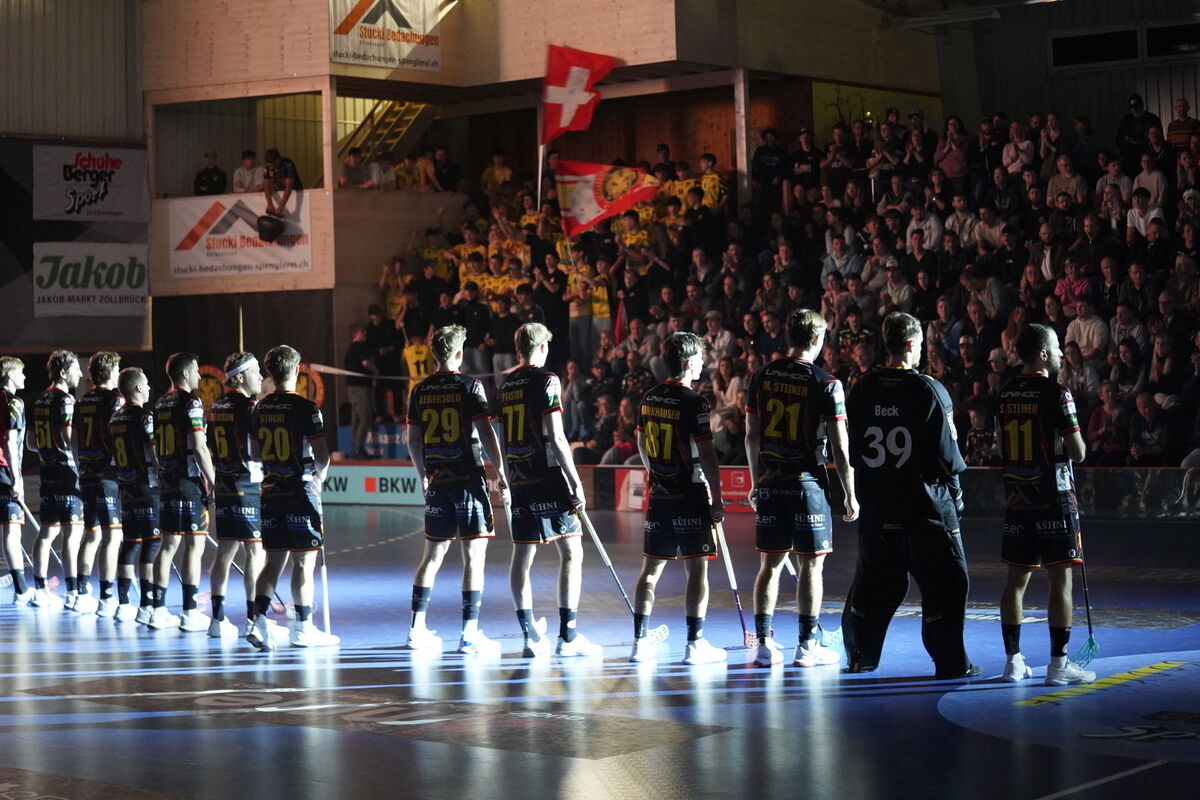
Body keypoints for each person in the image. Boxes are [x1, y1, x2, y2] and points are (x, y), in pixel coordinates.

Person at [841, 313, 979, 678]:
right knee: (948, 582)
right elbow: (948, 456)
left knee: (873, 585)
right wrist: (956, 501)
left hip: (876, 510)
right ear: (912, 344)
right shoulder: (928, 389)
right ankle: (951, 662)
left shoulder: (862, 388)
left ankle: (860, 656)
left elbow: (851, 449)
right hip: (923, 509)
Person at [744, 309, 859, 668]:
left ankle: (764, 645)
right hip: (806, 484)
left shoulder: (761, 376)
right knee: (811, 566)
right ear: (817, 338)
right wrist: (850, 492)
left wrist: (755, 481)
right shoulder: (827, 383)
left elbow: (751, 436)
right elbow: (840, 446)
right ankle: (807, 645)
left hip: (770, 481)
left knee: (770, 564)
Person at [996, 324, 1095, 686]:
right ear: (1042, 354)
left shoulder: (1006, 392)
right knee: (1060, 582)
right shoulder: (1058, 393)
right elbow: (1078, 452)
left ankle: (1013, 661)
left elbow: (1000, 444)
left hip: (1017, 497)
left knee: (1015, 582)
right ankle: (1058, 665)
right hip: (1053, 498)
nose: (1060, 354)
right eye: (1055, 349)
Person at [404, 325, 511, 655]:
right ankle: (468, 634)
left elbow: (412, 441)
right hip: (468, 482)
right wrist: (501, 472)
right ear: (459, 353)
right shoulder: (470, 386)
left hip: (438, 482)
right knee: (473, 557)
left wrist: (423, 476)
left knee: (431, 556)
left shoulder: (419, 390)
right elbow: (486, 433)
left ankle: (416, 629)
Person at [500, 323, 601, 658]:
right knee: (572, 551)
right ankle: (567, 636)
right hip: (547, 476)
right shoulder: (548, 380)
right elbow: (556, 436)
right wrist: (574, 480)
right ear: (542, 347)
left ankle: (530, 636)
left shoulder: (506, 384)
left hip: (519, 475)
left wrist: (504, 474)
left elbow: (502, 436)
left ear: (518, 350)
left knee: (522, 555)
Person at [629, 332, 728, 664]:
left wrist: (656, 473)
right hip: (690, 494)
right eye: (700, 358)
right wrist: (717, 497)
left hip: (660, 495)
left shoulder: (649, 398)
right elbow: (707, 453)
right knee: (697, 568)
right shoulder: (694, 401)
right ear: (687, 362)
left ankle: (639, 643)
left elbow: (641, 443)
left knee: (650, 570)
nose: (703, 363)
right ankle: (694, 644)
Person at [246, 345, 338, 649]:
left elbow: (254, 453)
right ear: (296, 370)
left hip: (272, 491)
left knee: (272, 562)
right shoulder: (306, 408)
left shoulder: (258, 408)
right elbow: (322, 456)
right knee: (303, 562)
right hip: (300, 491)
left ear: (269, 373)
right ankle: (303, 627)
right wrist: (319, 477)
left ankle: (259, 622)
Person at [150, 353, 216, 631]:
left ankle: (157, 610)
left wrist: (161, 471)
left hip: (168, 480)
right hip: (189, 483)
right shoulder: (192, 402)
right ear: (186, 374)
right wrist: (213, 481)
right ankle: (189, 611)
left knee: (167, 546)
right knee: (194, 545)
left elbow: (154, 445)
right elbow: (199, 446)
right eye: (197, 371)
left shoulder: (160, 402)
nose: (200, 376)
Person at [206, 353, 267, 638]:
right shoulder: (250, 407)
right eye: (255, 372)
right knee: (255, 551)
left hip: (224, 485)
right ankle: (254, 619)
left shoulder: (216, 406)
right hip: (247, 485)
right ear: (239, 377)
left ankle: (217, 619)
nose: (260, 377)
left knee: (224, 552)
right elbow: (257, 449)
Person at [29, 350, 84, 609]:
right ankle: (73, 592)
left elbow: (31, 442)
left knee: (47, 531)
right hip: (66, 472)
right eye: (76, 369)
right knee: (72, 532)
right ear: (63, 372)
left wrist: (47, 451)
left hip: (47, 471)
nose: (80, 373)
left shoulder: (40, 400)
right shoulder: (66, 400)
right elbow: (68, 437)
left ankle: (40, 589)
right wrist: (80, 464)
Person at [107, 367, 161, 623]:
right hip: (146, 486)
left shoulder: (114, 418)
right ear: (138, 388)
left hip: (125, 486)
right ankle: (146, 605)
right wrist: (161, 474)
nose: (149, 388)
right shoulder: (144, 417)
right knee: (152, 542)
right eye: (146, 383)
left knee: (130, 542)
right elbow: (152, 451)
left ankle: (123, 603)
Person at [74, 352, 124, 616]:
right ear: (111, 371)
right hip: (107, 474)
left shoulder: (82, 400)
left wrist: (80, 463)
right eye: (118, 369)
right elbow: (116, 435)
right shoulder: (114, 399)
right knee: (112, 535)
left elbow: (73, 439)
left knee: (91, 533)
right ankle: (106, 597)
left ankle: (81, 593)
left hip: (86, 472)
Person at [0, 357, 30, 602]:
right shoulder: (14, 402)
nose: (25, 377)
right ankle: (21, 590)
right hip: (4, 470)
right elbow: (10, 441)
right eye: (21, 372)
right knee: (12, 528)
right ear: (10, 375)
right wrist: (16, 478)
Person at [344, 325, 377, 459]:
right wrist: (376, 370)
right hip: (362, 387)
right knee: (365, 417)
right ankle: (359, 449)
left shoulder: (350, 349)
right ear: (356, 333)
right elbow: (366, 363)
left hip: (351, 388)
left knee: (356, 419)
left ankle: (354, 449)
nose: (365, 332)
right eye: (362, 331)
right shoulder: (361, 346)